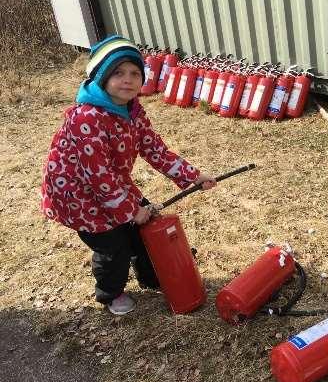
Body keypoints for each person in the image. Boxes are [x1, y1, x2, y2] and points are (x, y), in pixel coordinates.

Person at [40, 35, 216, 315]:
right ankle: (111, 293)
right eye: (118, 73)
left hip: (112, 183)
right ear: (101, 77)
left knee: (143, 227)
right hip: (78, 195)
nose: (128, 79)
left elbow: (154, 149)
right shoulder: (86, 118)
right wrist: (129, 210)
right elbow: (97, 177)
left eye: (135, 73)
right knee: (113, 246)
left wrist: (191, 176)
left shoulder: (133, 111)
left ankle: (151, 275)